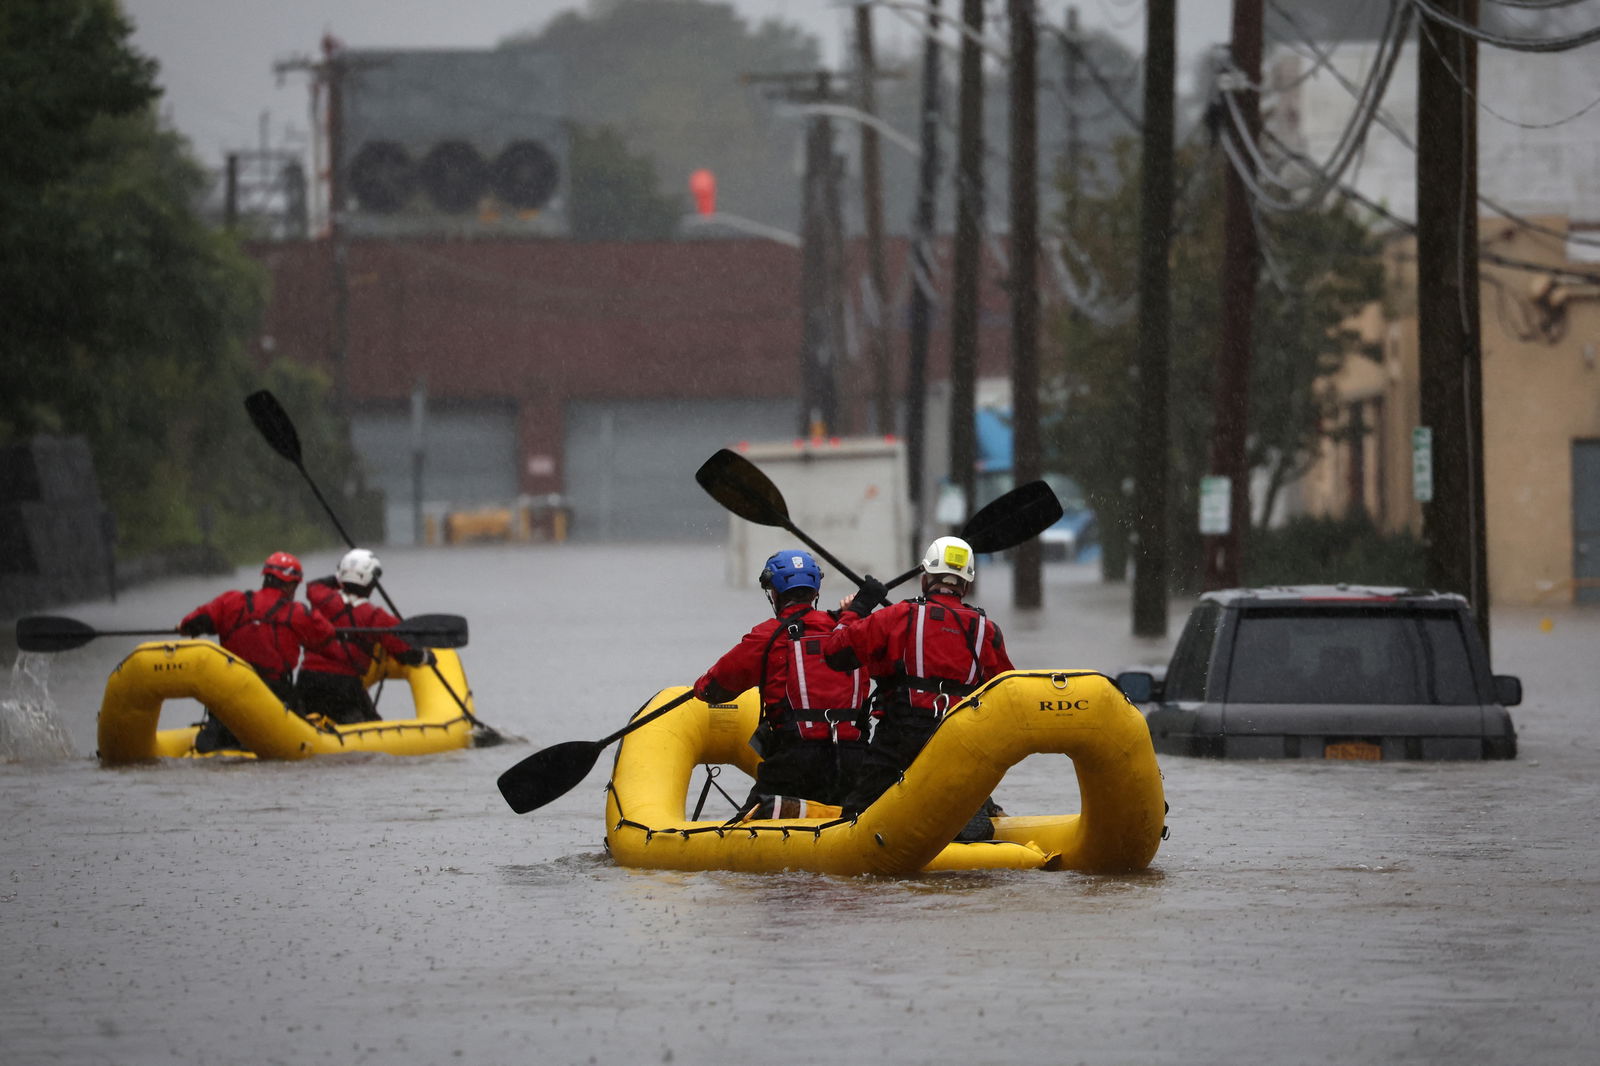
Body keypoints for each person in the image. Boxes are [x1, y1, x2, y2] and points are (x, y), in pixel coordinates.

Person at [823, 535, 1014, 841]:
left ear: (926, 579)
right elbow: (1007, 694)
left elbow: (834, 653)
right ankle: (972, 821)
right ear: (965, 584)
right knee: (960, 798)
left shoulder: (899, 615)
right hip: (960, 738)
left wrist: (856, 609)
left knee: (857, 816)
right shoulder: (987, 630)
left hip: (901, 738)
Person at [692, 550, 871, 816]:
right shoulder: (852, 629)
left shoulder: (767, 635)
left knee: (743, 830)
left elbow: (711, 689)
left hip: (794, 763)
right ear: (815, 592)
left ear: (774, 593)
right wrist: (855, 613)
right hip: (855, 760)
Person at [178, 551, 337, 752]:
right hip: (273, 695)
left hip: (230, 689)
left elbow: (192, 623)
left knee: (216, 734)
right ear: (290, 585)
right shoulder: (297, 613)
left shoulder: (231, 602)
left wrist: (184, 627)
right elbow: (326, 635)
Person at [296, 548, 435, 725]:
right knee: (372, 724)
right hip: (344, 686)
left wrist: (343, 574)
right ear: (372, 582)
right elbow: (405, 652)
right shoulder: (376, 617)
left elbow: (314, 585)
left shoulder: (322, 598)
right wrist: (425, 657)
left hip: (308, 679)